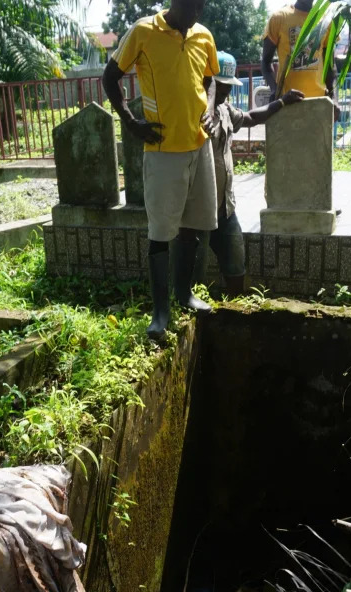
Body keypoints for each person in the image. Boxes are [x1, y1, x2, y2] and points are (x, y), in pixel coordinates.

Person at [102, 0, 219, 341]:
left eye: (203, 5)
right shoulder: (143, 31)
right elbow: (111, 77)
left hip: (199, 144)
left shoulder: (203, 36)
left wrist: (211, 108)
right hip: (163, 147)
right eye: (193, 5)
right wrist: (130, 121)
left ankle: (183, 293)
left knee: (192, 225)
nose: (198, 11)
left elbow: (210, 80)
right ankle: (160, 312)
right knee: (161, 231)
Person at [195, 51, 305, 296]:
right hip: (197, 211)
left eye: (228, 88)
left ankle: (235, 311)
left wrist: (282, 101)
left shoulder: (224, 110)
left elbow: (251, 118)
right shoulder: (193, 113)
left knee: (236, 264)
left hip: (225, 208)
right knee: (193, 274)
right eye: (221, 87)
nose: (226, 93)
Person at [261, 0, 339, 117]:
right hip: (288, 103)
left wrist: (334, 98)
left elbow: (330, 65)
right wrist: (275, 91)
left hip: (319, 103)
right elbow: (266, 62)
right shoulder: (279, 18)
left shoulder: (326, 21)